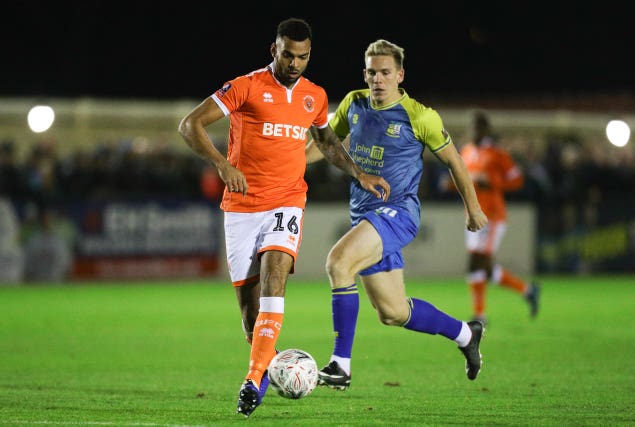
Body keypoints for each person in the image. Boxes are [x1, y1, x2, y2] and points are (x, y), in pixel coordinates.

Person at [177, 18, 390, 418]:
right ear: (273, 49)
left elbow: (326, 141)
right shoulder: (246, 87)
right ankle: (265, 367)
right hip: (241, 208)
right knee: (250, 317)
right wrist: (222, 165)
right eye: (289, 55)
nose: (296, 63)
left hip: (287, 202)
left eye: (303, 57)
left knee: (276, 271)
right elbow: (190, 125)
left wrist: (359, 173)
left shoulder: (315, 96)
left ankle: (252, 377)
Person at [305, 39, 489, 390]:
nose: (378, 79)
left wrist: (473, 208)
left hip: (399, 212)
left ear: (399, 75)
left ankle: (340, 365)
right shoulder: (353, 103)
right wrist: (292, 163)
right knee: (393, 313)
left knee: (338, 263)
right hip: (365, 216)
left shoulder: (420, 116)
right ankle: (467, 334)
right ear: (364, 73)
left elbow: (455, 161)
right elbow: (327, 146)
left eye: (385, 73)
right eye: (372, 72)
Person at [442, 111, 540, 325]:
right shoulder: (466, 152)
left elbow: (517, 181)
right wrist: (450, 184)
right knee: (482, 267)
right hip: (472, 215)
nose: (474, 131)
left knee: (476, 263)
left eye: (478, 127)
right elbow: (463, 179)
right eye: (472, 127)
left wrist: (493, 181)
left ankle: (480, 315)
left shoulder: (498, 154)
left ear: (486, 129)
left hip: (492, 215)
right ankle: (527, 290)